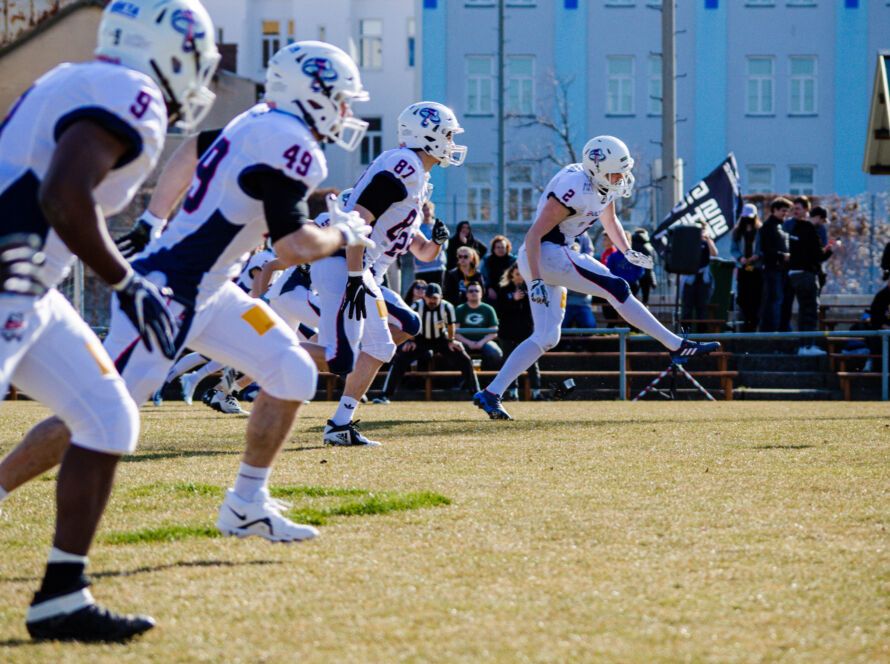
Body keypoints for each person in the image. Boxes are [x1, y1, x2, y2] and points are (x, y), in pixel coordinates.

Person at [0, 38, 375, 633]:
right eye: (341, 98)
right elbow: (293, 246)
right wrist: (345, 232)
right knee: (99, 413)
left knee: (292, 370)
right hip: (170, 292)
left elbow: (192, 152)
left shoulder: (258, 120)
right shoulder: (289, 141)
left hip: (213, 290)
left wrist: (156, 216)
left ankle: (245, 504)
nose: (347, 112)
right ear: (315, 93)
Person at [0, 0, 218, 642]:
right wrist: (125, 282)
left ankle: (61, 598)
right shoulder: (133, 92)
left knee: (107, 416)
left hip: (28, 281)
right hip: (9, 275)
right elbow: (62, 195)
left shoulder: (76, 76)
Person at [473, 135, 720, 420]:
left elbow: (610, 220)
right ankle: (676, 344)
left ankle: (491, 393)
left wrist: (626, 251)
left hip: (552, 256)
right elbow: (533, 235)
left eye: (624, 171)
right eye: (616, 172)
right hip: (543, 254)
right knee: (616, 287)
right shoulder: (574, 187)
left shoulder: (602, 184)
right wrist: (537, 279)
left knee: (546, 336)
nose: (622, 177)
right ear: (597, 170)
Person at [312, 101, 462, 446]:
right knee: (341, 357)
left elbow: (420, 250)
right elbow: (358, 220)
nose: (452, 143)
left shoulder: (416, 177)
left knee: (376, 347)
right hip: (344, 261)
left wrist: (437, 242)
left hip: (355, 266)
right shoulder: (404, 165)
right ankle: (258, 351)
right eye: (448, 135)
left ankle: (339, 425)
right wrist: (354, 275)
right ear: (428, 135)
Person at [377, 283, 478, 401]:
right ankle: (385, 394)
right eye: (429, 297)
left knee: (464, 359)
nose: (432, 301)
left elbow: (451, 326)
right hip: (420, 339)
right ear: (424, 297)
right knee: (400, 360)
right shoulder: (416, 306)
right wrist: (411, 341)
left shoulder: (447, 307)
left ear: (440, 297)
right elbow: (410, 324)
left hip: (440, 339)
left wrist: (451, 341)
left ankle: (476, 393)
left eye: (435, 298)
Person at [787, 204, 831, 355]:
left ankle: (802, 345)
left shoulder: (796, 228)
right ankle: (808, 346)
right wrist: (831, 250)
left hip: (794, 274)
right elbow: (817, 256)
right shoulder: (811, 231)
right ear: (818, 217)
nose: (822, 224)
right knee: (811, 311)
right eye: (823, 221)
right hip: (806, 275)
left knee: (802, 310)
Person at [495, 263, 542, 401]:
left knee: (532, 362)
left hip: (526, 332)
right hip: (507, 333)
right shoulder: (503, 289)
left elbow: (535, 309)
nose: (520, 277)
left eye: (522, 273)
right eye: (517, 274)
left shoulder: (532, 288)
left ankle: (536, 392)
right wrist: (513, 300)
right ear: (511, 275)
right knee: (509, 363)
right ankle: (511, 392)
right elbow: (500, 310)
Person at [756, 197, 791, 332]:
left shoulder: (781, 226)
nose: (785, 214)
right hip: (773, 268)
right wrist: (781, 255)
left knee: (779, 300)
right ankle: (771, 330)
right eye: (783, 211)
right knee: (774, 300)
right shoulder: (768, 227)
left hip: (781, 269)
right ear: (775, 210)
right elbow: (765, 249)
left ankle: (780, 328)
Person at [780, 196, 811, 331]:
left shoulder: (812, 225)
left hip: (807, 272)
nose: (795, 212)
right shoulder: (788, 224)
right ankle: (786, 332)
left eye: (798, 209)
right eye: (794, 209)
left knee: (807, 306)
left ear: (806, 209)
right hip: (790, 270)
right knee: (786, 302)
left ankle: (805, 335)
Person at [730, 203, 763, 332]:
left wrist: (757, 255)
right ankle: (745, 325)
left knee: (756, 297)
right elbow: (733, 249)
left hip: (756, 269)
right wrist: (740, 258)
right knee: (743, 298)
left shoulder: (759, 231)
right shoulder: (738, 232)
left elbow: (763, 247)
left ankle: (753, 325)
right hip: (743, 269)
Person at [455, 283, 502, 369]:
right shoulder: (459, 309)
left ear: (481, 294)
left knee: (495, 353)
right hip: (464, 341)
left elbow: (494, 332)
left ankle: (491, 376)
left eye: (477, 291)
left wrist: (481, 342)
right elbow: (455, 332)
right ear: (466, 294)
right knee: (455, 351)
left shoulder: (489, 309)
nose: (474, 293)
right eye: (471, 291)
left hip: (484, 341)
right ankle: (463, 376)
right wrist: (469, 342)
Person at [679, 222, 719, 325]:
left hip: (703, 279)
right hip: (689, 278)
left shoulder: (706, 242)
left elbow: (714, 253)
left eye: (701, 229)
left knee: (702, 309)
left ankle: (701, 332)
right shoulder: (688, 241)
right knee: (687, 309)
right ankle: (685, 331)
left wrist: (707, 238)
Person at [413, 201, 448, 288]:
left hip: (438, 267)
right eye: (423, 210)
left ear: (432, 211)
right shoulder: (417, 228)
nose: (426, 213)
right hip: (421, 269)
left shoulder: (439, 225)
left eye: (428, 210)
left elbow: (444, 245)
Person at [481, 235, 516, 303]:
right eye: (498, 247)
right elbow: (483, 278)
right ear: (493, 249)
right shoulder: (487, 261)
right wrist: (488, 288)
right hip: (492, 293)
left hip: (510, 294)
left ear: (507, 248)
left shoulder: (513, 261)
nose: (500, 249)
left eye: (503, 247)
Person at [630, 228, 657, 304]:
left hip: (633, 275)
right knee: (645, 299)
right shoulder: (649, 246)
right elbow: (653, 263)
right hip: (647, 275)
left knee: (632, 298)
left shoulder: (631, 245)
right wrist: (653, 280)